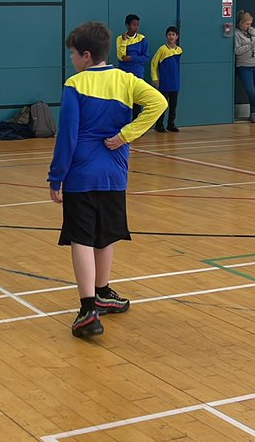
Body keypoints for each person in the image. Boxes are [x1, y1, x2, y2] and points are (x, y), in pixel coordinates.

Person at [48, 21, 167, 339]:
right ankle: (102, 292)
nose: (71, 58)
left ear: (86, 55)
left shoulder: (75, 84)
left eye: (73, 53)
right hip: (115, 173)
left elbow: (68, 136)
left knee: (82, 239)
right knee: (106, 235)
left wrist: (56, 177)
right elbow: (159, 103)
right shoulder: (126, 80)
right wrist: (126, 135)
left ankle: (87, 310)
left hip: (81, 174)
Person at [235, 10, 255, 123]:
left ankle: (253, 113)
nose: (249, 26)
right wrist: (253, 44)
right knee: (250, 90)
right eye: (247, 24)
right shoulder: (236, 34)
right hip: (245, 65)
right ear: (240, 23)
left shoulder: (252, 30)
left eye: (250, 24)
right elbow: (237, 51)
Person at [152, 26, 183, 132]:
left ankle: (171, 124)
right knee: (163, 105)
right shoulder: (162, 49)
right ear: (166, 36)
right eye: (169, 34)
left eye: (173, 34)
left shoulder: (179, 50)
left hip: (175, 82)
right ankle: (159, 125)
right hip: (164, 82)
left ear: (177, 37)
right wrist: (155, 79)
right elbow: (154, 63)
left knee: (173, 105)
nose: (171, 36)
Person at [116, 14, 149, 78]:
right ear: (127, 25)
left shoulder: (142, 39)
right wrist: (124, 41)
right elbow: (121, 57)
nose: (136, 27)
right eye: (134, 25)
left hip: (138, 73)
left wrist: (131, 58)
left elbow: (146, 57)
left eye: (137, 25)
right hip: (124, 73)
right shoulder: (120, 38)